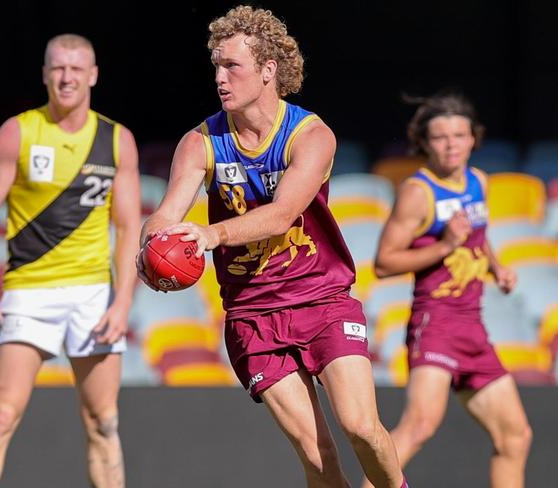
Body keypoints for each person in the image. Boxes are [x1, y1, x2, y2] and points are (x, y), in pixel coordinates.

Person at [138, 6, 408, 488]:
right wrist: (151, 245)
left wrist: (212, 234)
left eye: (232, 66)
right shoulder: (200, 142)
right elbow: (166, 212)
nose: (220, 78)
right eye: (216, 66)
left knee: (361, 428)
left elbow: (283, 214)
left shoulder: (311, 135)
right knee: (317, 454)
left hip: (322, 298)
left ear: (268, 71)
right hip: (252, 314)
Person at [0, 33, 140, 488]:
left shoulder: (117, 141)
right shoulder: (18, 132)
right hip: (28, 291)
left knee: (103, 421)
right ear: (45, 74)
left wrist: (121, 304)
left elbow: (128, 228)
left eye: (76, 69)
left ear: (93, 75)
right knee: (1, 416)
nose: (66, 77)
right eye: (58, 68)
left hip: (92, 295)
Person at [361, 91, 532, 487]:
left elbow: (477, 233)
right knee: (419, 426)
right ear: (424, 142)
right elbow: (385, 263)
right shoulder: (418, 192)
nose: (451, 144)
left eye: (459, 135)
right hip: (435, 322)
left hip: (473, 327)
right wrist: (445, 246)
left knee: (515, 436)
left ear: (474, 137)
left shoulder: (478, 181)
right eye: (440, 137)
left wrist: (496, 267)